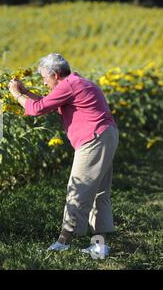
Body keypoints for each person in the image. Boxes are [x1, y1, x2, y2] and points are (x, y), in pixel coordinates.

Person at [8, 53, 119, 257]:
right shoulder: (75, 83)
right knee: (98, 192)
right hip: (105, 135)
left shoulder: (69, 85)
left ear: (56, 74)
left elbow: (36, 109)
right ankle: (99, 246)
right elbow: (45, 102)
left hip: (93, 139)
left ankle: (63, 242)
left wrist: (16, 94)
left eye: (45, 77)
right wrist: (26, 92)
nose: (44, 82)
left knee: (77, 188)